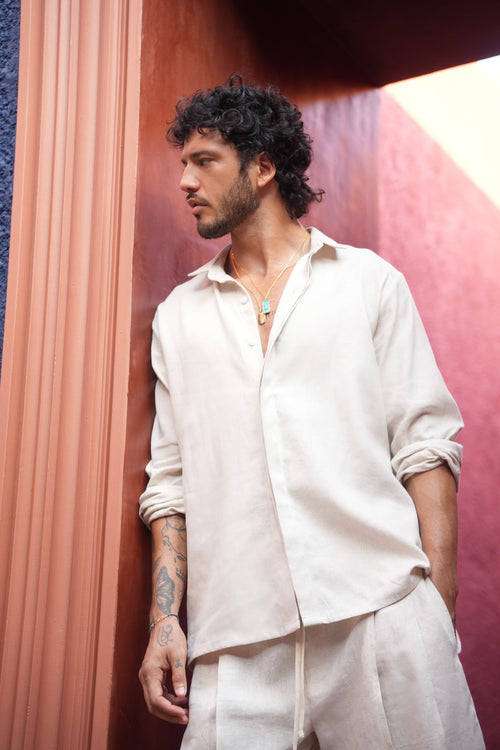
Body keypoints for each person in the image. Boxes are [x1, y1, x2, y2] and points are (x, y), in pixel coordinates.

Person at [138, 75, 484, 750]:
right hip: (237, 638)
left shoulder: (368, 283)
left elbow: (425, 448)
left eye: (204, 161)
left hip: (380, 612)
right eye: (184, 163)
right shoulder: (178, 317)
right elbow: (170, 484)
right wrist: (163, 622)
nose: (184, 181)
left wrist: (435, 613)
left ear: (263, 168)